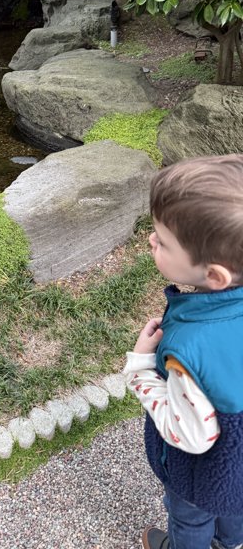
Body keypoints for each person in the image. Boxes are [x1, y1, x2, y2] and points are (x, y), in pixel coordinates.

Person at [123, 154, 243, 549]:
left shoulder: (190, 349)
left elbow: (189, 434)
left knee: (191, 517)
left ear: (214, 275)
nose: (151, 241)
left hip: (205, 472)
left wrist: (140, 369)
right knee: (235, 508)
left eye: (163, 241)